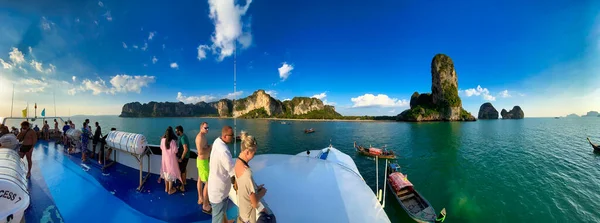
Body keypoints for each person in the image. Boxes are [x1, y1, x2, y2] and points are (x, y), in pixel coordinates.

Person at [208, 126, 236, 223]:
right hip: (218, 191)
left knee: (222, 212)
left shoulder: (217, 141)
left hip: (216, 187)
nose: (233, 137)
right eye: (231, 135)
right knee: (217, 218)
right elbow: (232, 170)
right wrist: (236, 184)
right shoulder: (224, 151)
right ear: (224, 136)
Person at [160, 126, 182, 195]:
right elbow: (175, 151)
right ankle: (170, 190)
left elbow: (161, 148)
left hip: (164, 160)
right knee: (171, 174)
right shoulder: (172, 142)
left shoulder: (162, 140)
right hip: (171, 161)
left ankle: (166, 188)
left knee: (165, 173)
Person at [195, 122, 212, 212]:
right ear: (201, 128)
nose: (207, 129)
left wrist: (208, 147)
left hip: (203, 161)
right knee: (208, 182)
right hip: (202, 162)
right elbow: (201, 152)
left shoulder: (203, 136)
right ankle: (205, 205)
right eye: (206, 128)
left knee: (200, 179)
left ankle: (200, 198)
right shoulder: (200, 138)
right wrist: (210, 147)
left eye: (208, 127)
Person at [175, 125, 190, 192]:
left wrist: (181, 158)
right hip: (186, 156)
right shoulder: (183, 136)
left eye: (176, 131)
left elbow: (185, 149)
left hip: (184, 157)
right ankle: (184, 182)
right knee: (184, 169)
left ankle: (182, 187)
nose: (176, 133)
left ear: (179, 131)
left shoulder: (183, 138)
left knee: (182, 171)